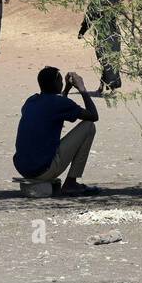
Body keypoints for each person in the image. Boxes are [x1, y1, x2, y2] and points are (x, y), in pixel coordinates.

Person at [13, 67, 99, 195]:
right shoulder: (59, 103)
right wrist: (82, 89)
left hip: (24, 168)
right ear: (56, 83)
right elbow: (93, 116)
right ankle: (71, 183)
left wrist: (67, 89)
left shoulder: (31, 101)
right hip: (43, 170)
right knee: (89, 126)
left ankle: (68, 182)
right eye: (60, 81)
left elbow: (55, 106)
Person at [78, 0, 122, 93]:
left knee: (105, 60)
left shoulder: (97, 0)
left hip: (103, 34)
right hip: (114, 34)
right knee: (110, 60)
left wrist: (82, 32)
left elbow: (89, 18)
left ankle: (111, 86)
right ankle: (105, 86)